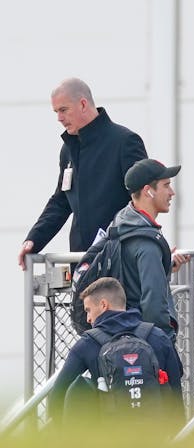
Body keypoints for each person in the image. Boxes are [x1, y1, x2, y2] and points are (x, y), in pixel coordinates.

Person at [18, 78, 147, 270]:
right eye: (56, 112)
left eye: (63, 110)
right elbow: (61, 202)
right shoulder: (68, 149)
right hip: (82, 264)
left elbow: (143, 202)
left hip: (121, 264)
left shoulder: (125, 142)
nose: (59, 118)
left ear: (83, 104)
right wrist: (33, 240)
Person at [48, 277, 183, 425]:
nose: (88, 318)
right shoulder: (158, 336)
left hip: (108, 442)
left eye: (88, 310)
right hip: (155, 435)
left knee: (80, 387)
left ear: (103, 305)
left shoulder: (87, 343)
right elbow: (176, 393)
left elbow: (57, 397)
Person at [111, 158, 184, 341]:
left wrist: (165, 266)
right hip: (146, 340)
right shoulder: (147, 243)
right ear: (148, 191)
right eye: (166, 185)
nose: (172, 192)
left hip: (123, 334)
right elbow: (153, 302)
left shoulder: (121, 225)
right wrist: (164, 339)